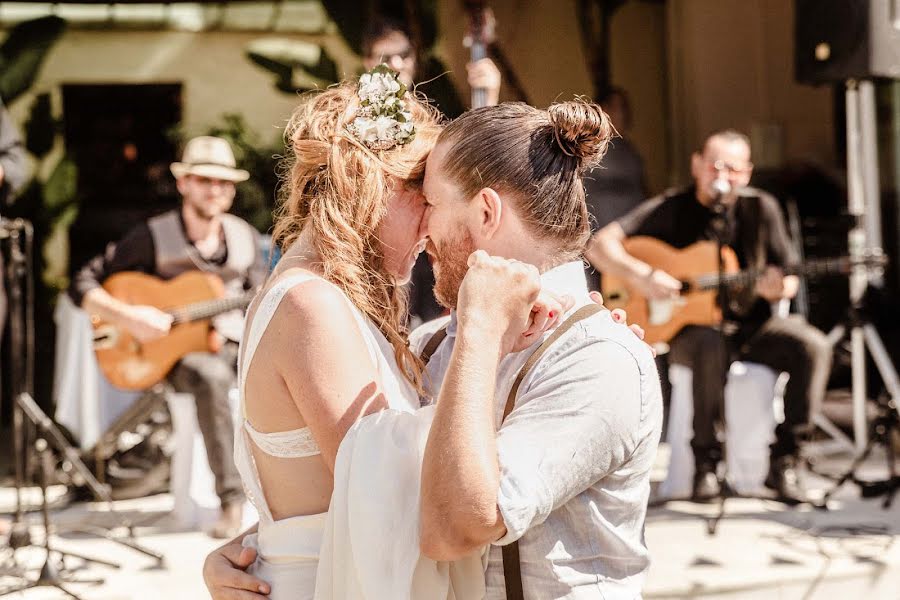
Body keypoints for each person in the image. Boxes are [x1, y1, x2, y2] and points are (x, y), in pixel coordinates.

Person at [205, 97, 662, 599]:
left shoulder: (596, 358)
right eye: (420, 198)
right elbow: (371, 492)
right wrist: (267, 544)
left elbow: (453, 525)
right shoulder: (434, 346)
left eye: (433, 202)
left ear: (486, 211)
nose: (427, 228)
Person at [586, 129, 833, 503]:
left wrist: (777, 288)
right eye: (716, 165)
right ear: (697, 165)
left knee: (812, 346)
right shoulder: (673, 207)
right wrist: (646, 276)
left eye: (734, 169)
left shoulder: (762, 209)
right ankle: (706, 464)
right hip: (691, 330)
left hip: (754, 327)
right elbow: (599, 245)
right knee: (708, 340)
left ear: (747, 173)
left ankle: (786, 460)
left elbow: (789, 281)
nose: (724, 176)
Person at [69, 135, 266, 538]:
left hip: (232, 346)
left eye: (224, 183)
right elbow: (82, 281)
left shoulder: (244, 235)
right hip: (175, 356)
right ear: (183, 184)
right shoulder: (151, 235)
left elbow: (262, 299)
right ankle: (230, 500)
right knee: (210, 376)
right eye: (205, 180)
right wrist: (129, 316)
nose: (216, 190)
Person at [361, 15, 503, 326]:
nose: (397, 64)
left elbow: (467, 164)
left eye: (404, 55)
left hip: (424, 246)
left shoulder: (429, 118)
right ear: (368, 62)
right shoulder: (354, 118)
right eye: (386, 57)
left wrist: (488, 97)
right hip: (374, 244)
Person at [582, 87, 646, 291]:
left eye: (622, 108)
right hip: (592, 240)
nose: (619, 113)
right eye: (613, 107)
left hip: (625, 241)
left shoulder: (632, 153)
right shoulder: (586, 150)